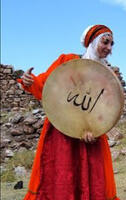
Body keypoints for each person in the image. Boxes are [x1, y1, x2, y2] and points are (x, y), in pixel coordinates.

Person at [18, 24, 119, 200]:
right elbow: (46, 85)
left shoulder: (108, 77)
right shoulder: (67, 61)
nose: (109, 48)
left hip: (91, 137)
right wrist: (29, 81)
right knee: (61, 180)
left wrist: (95, 130)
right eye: (105, 42)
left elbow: (106, 110)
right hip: (62, 132)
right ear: (93, 41)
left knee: (94, 182)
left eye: (112, 44)